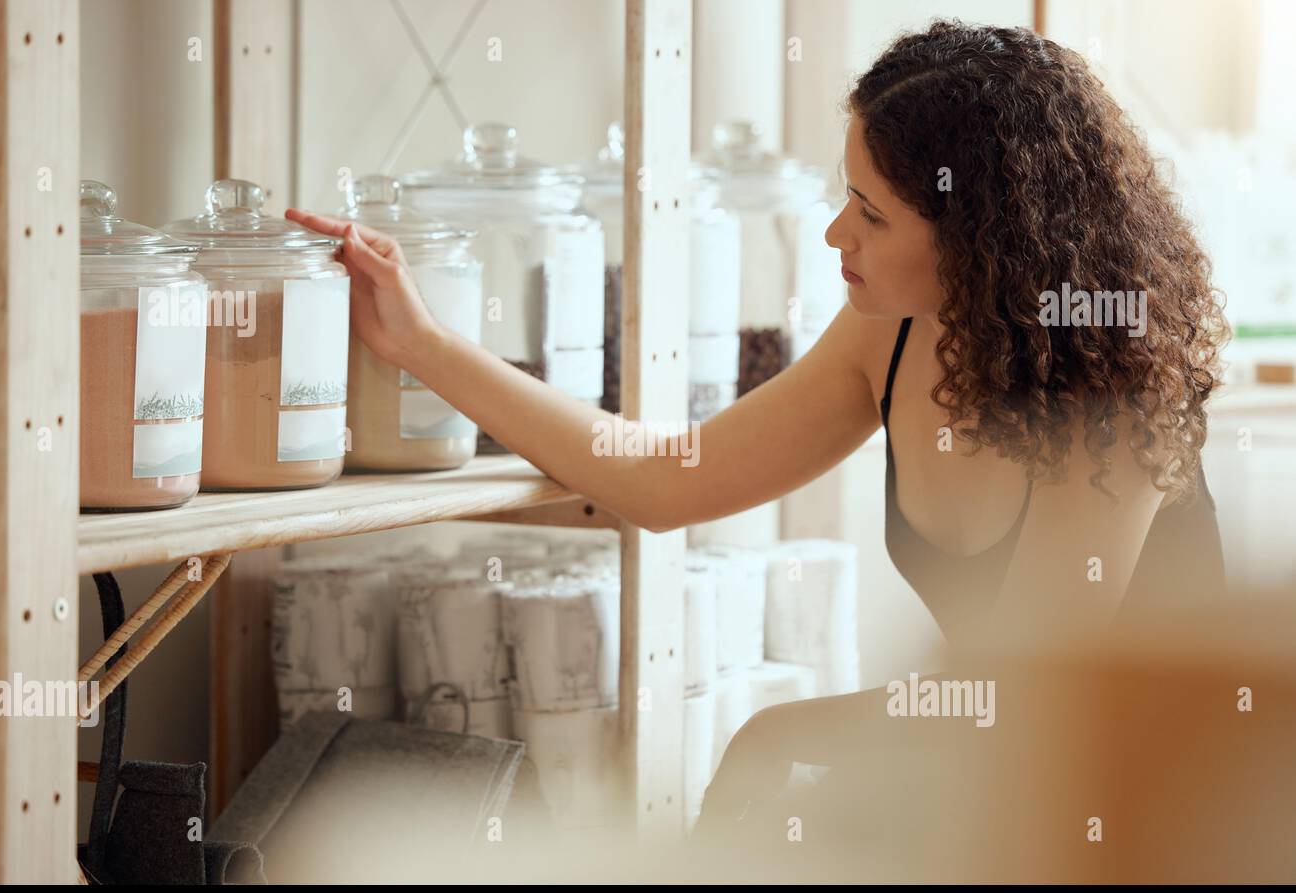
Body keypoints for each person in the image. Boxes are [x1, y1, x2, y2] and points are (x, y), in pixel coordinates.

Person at [287, 20, 1228, 844]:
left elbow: (1025, 698)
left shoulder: (1110, 397)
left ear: (984, 239)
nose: (833, 236)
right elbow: (671, 477)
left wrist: (778, 735)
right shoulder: (889, 334)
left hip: (1166, 833)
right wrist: (424, 342)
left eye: (869, 213)